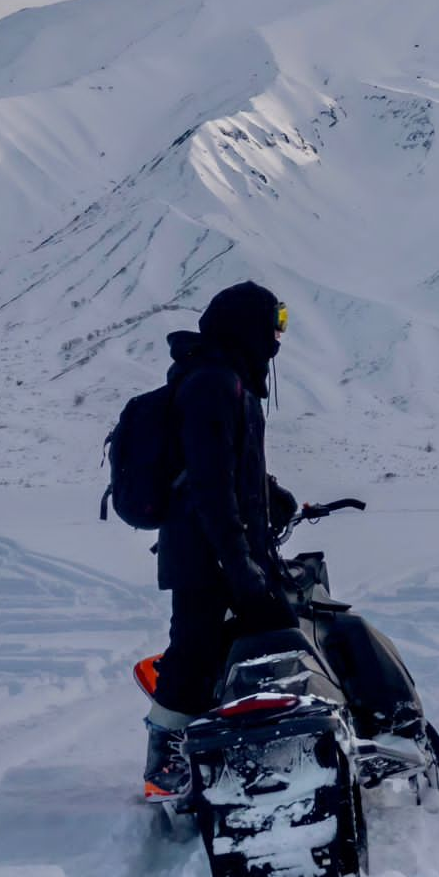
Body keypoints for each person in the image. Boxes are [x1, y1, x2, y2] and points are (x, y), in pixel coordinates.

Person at [143, 280, 301, 799]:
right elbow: (209, 486)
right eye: (274, 321)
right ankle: (164, 758)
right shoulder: (213, 382)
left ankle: (245, 747)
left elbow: (232, 468)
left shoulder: (232, 381)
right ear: (248, 326)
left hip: (227, 549)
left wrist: (271, 493)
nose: (279, 335)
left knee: (254, 636)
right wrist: (240, 566)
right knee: (195, 646)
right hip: (205, 552)